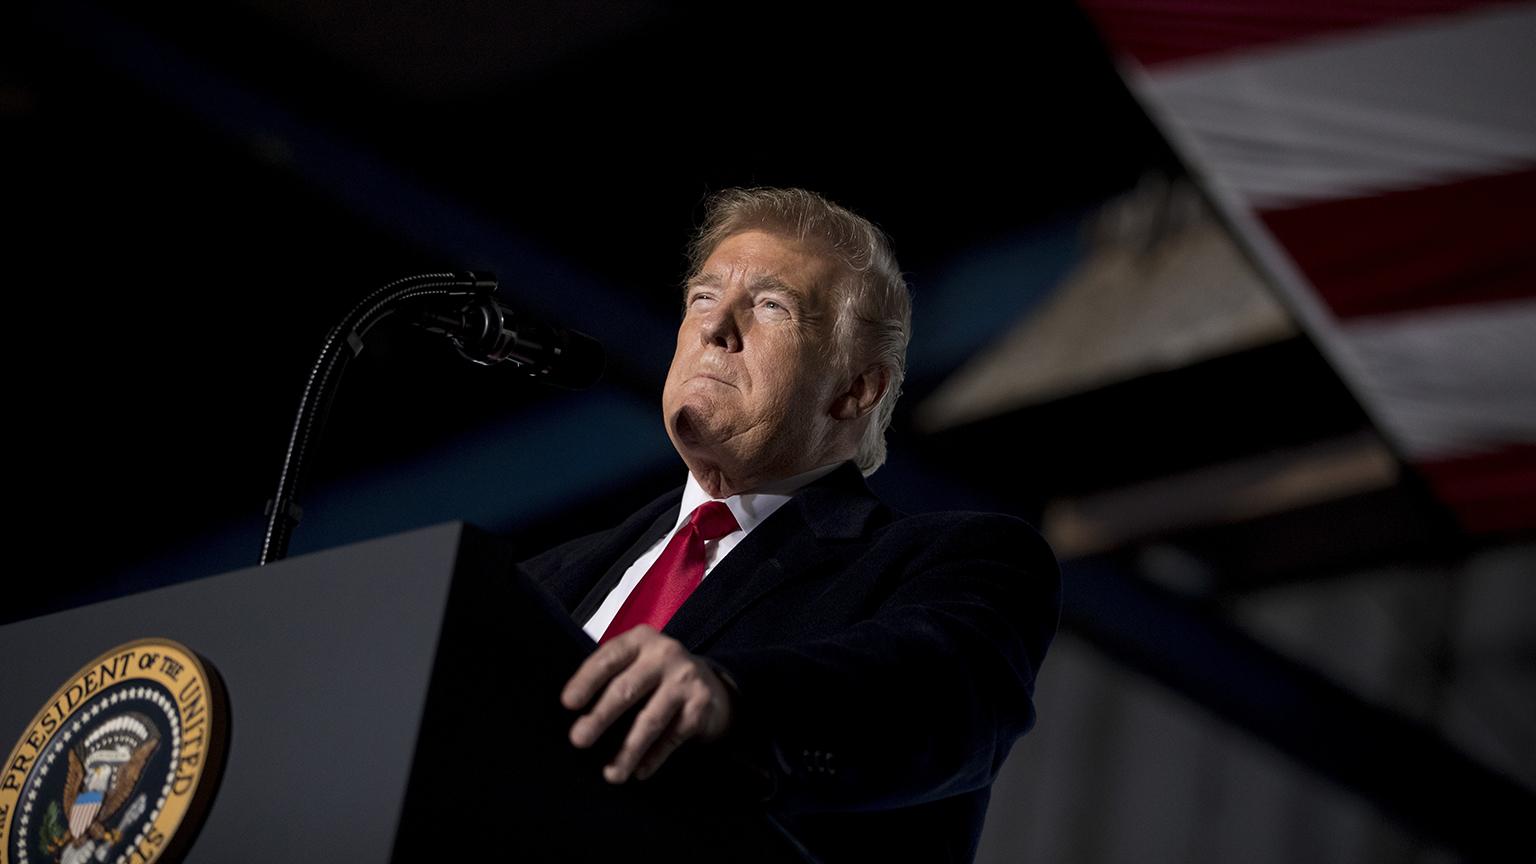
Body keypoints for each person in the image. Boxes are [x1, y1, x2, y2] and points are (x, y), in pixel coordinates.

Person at [517, 187, 1060, 861]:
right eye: (703, 298)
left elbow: (936, 697)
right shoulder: (538, 577)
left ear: (857, 389)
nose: (718, 327)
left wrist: (734, 698)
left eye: (771, 306)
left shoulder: (957, 559)